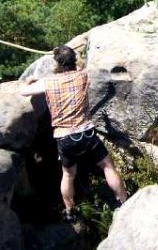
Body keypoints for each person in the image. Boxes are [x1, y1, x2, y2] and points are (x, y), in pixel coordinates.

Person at [21, 45, 127, 221]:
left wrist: (30, 80)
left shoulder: (49, 82)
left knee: (69, 175)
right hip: (87, 134)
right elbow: (82, 70)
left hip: (65, 138)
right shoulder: (82, 76)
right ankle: (123, 201)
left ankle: (70, 211)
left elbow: (24, 92)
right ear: (73, 61)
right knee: (108, 167)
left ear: (57, 63)